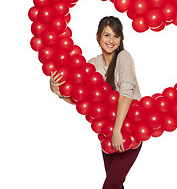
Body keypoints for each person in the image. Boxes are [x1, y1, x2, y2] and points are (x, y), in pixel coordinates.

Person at [49, 16, 142, 189]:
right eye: (107, 35)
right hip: (106, 134)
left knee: (110, 185)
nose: (111, 40)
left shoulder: (124, 56)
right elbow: (82, 97)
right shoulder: (93, 65)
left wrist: (117, 130)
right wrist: (59, 92)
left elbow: (126, 94)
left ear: (121, 39)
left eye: (116, 36)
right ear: (98, 36)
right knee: (115, 185)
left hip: (128, 131)